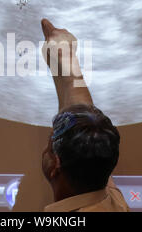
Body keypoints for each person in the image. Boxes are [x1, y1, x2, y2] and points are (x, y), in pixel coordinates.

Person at [40, 18, 129, 212]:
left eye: (48, 147)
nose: (44, 152)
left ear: (56, 164)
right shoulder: (112, 204)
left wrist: (66, 58)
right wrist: (66, 59)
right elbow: (82, 119)